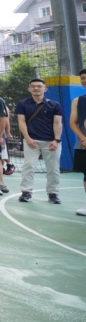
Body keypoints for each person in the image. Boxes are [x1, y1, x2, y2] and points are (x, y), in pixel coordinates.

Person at [15, 78, 64, 204]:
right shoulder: (23, 104)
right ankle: (26, 192)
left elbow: (57, 123)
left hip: (51, 142)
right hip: (31, 141)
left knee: (53, 168)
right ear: (29, 89)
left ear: (45, 89)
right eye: (33, 86)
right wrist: (27, 138)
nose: (36, 88)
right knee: (29, 166)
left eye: (39, 86)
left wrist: (56, 140)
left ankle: (53, 193)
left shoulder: (54, 105)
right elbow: (21, 122)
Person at [71, 68, 86, 217]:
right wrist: (84, 138)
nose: (84, 80)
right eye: (82, 78)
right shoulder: (78, 101)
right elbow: (73, 123)